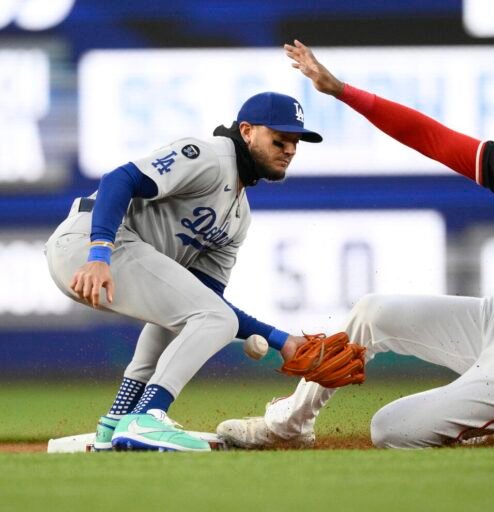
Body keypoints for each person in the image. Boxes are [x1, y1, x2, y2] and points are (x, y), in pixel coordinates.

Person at [216, 41, 494, 449]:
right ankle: (291, 426)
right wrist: (341, 90)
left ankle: (477, 423)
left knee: (390, 429)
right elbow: (430, 137)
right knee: (372, 312)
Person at [45, 91, 323, 452]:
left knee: (187, 317)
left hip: (117, 254)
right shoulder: (210, 156)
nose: (290, 149)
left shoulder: (239, 217)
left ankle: (117, 420)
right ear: (247, 131)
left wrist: (280, 340)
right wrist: (100, 253)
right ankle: (147, 418)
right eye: (280, 139)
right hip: (88, 246)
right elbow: (118, 179)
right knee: (213, 319)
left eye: (295, 143)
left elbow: (207, 299)